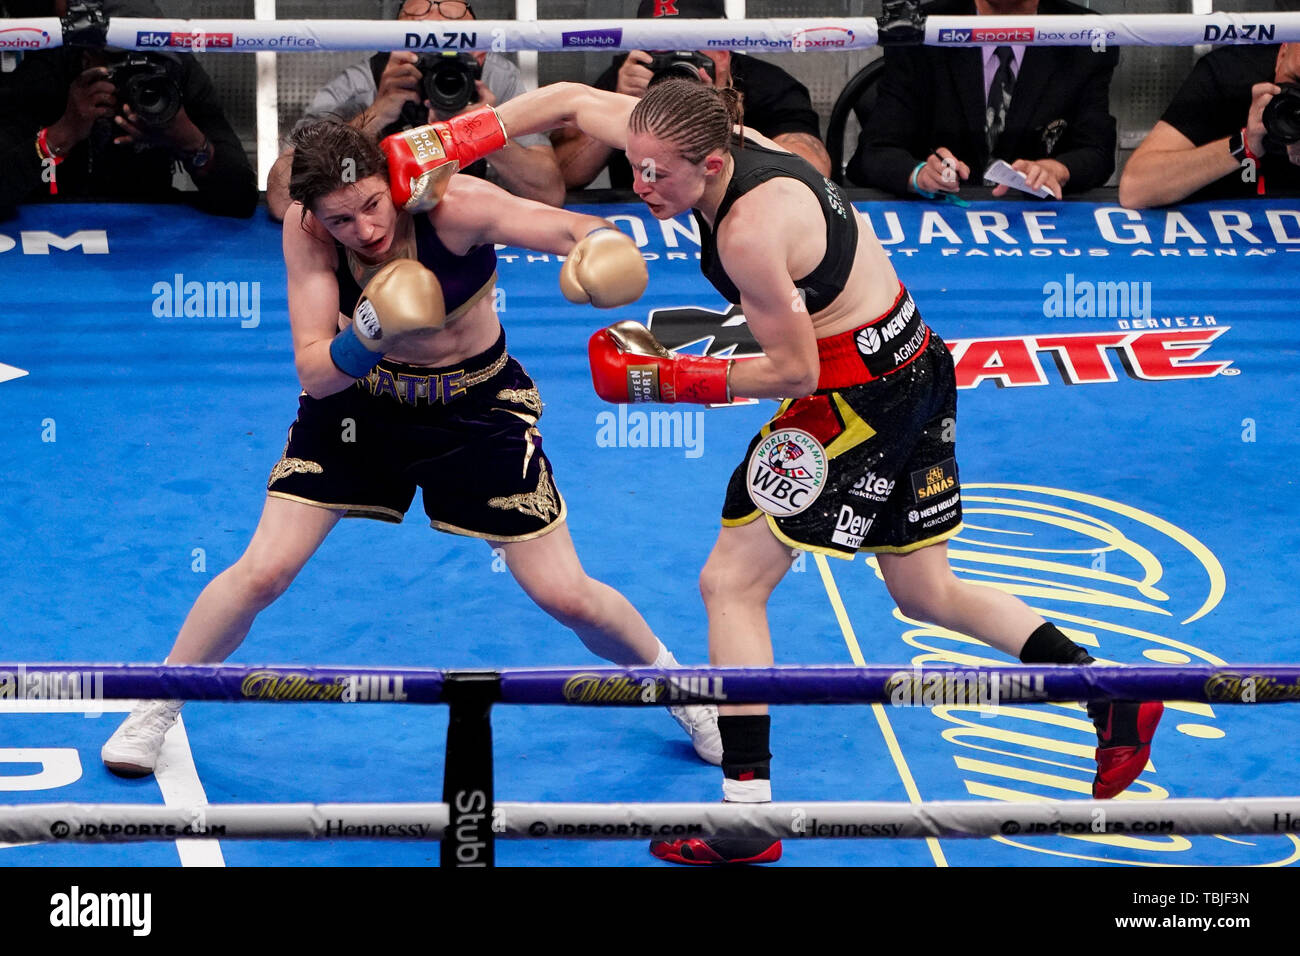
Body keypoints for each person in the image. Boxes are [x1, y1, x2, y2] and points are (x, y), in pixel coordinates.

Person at [496, 78, 1163, 865]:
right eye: (634, 167)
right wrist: (441, 147)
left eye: (656, 176)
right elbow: (568, 98)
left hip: (852, 396)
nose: (639, 188)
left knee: (731, 583)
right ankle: (1105, 690)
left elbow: (793, 372)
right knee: (924, 591)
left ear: (712, 163)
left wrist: (662, 380)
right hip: (915, 360)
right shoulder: (687, 137)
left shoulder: (748, 228)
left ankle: (746, 815)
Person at [101, 114, 721, 776]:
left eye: (372, 205)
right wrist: (371, 327)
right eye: (342, 220)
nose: (365, 230)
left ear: (391, 182)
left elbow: (566, 225)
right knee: (264, 570)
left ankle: (684, 690)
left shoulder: (455, 206)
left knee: (565, 593)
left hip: (477, 407)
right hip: (359, 405)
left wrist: (601, 248)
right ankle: (157, 701)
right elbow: (314, 369)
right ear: (315, 216)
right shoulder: (306, 232)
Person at [265, 0, 563, 220]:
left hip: (468, 223)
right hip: (379, 226)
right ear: (394, 45)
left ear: (479, 51)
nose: (439, 70)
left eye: (453, 45)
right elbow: (281, 199)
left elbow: (548, 194)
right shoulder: (364, 83)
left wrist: (481, 129)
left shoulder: (497, 77)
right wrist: (376, 114)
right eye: (422, 49)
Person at [0, 0, 256, 217]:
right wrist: (60, 135)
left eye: (151, 59)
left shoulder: (175, 72)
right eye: (124, 62)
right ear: (88, 58)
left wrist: (192, 144)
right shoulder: (51, 72)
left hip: (147, 220)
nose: (138, 76)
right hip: (54, 215)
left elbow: (241, 200)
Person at [848, 0, 1117, 200]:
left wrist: (1057, 169)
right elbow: (875, 152)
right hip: (939, 218)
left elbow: (1097, 152)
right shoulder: (920, 30)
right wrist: (919, 174)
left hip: (1035, 221)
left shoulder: (1085, 33)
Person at [552, 0, 829, 189]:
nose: (677, 55)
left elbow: (812, 171)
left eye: (690, 42)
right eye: (661, 42)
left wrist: (718, 113)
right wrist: (622, 107)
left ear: (723, 46)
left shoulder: (767, 84)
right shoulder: (629, 76)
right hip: (650, 220)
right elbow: (562, 175)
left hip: (742, 215)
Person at [1119, 42, 1300, 207]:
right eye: (1297, 81)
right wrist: (1243, 146)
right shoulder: (1232, 72)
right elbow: (1136, 188)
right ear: (1282, 55)